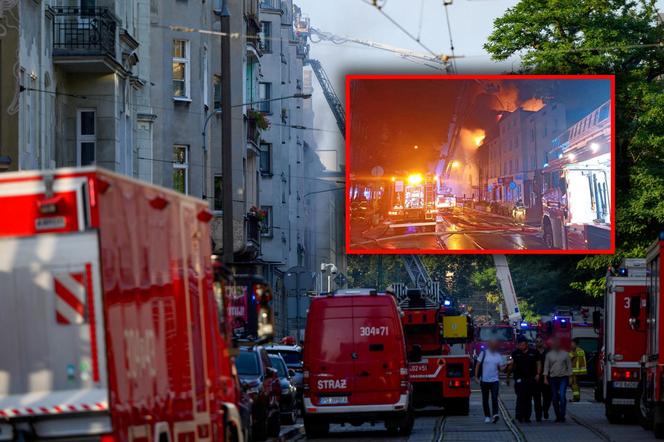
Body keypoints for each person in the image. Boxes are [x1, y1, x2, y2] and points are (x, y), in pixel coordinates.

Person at [507, 336, 539, 423]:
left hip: (530, 378)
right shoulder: (515, 353)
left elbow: (538, 363)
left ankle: (527, 416)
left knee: (528, 398)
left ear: (526, 344)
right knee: (520, 397)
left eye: (522, 345)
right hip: (519, 378)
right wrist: (508, 376)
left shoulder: (534, 352)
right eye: (519, 345)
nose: (520, 346)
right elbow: (511, 365)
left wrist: (538, 374)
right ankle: (519, 415)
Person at [475, 339, 506, 424]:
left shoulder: (498, 356)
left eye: (495, 344)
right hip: (484, 380)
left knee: (494, 397)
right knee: (485, 399)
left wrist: (507, 366)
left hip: (494, 380)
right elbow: (478, 364)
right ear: (489, 344)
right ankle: (487, 416)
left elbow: (501, 368)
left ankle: (495, 414)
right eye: (492, 344)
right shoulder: (483, 353)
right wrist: (476, 376)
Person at [543, 337, 572, 422]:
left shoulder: (565, 354)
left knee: (562, 396)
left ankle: (562, 415)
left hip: (563, 377)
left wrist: (570, 378)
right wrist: (545, 378)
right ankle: (558, 415)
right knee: (555, 397)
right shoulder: (549, 355)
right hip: (553, 378)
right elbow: (546, 367)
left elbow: (569, 366)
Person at [533, 337, 552, 421]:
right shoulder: (533, 352)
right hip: (536, 378)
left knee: (547, 397)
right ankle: (538, 415)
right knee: (537, 397)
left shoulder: (548, 352)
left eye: (540, 341)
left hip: (547, 377)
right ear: (535, 343)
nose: (539, 343)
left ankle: (545, 410)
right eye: (537, 341)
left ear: (543, 342)